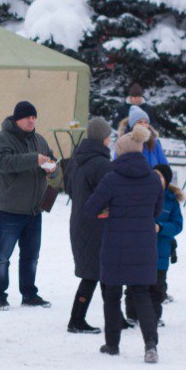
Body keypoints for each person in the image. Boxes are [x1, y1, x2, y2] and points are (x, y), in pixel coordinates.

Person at [81, 123, 166, 363]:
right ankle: (151, 344)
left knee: (112, 294)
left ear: (119, 152)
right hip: (144, 245)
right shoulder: (153, 179)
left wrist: (107, 211)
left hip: (115, 245)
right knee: (141, 295)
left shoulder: (111, 179)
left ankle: (112, 344)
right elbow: (156, 211)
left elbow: (89, 209)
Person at [0, 100, 58, 310]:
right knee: (3, 256)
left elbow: (52, 162)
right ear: (17, 118)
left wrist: (52, 168)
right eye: (28, 117)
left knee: (31, 256)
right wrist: (34, 159)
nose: (32, 120)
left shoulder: (40, 139)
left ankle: (29, 294)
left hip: (34, 210)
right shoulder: (2, 139)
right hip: (9, 209)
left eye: (34, 117)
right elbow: (3, 163)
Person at [65, 117, 114, 335]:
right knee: (94, 273)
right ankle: (76, 320)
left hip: (79, 221)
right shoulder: (101, 163)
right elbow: (110, 194)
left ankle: (116, 318)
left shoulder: (77, 159)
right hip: (97, 224)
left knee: (102, 272)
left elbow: (69, 188)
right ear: (104, 138)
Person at [152, 163, 184, 323]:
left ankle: (155, 316)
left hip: (161, 251)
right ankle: (133, 314)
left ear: (166, 180)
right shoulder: (143, 196)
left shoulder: (171, 202)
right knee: (137, 285)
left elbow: (178, 225)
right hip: (141, 250)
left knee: (158, 286)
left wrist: (161, 227)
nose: (155, 179)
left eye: (159, 176)